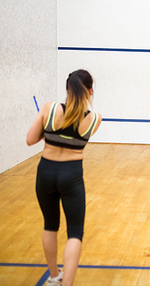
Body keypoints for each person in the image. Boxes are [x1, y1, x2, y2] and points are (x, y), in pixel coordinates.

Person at [27, 69, 102, 286]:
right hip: (71, 176)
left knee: (50, 225)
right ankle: (66, 284)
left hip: (45, 174)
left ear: (67, 90)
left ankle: (53, 277)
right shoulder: (95, 119)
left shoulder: (49, 109)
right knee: (75, 233)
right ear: (90, 92)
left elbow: (30, 140)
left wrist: (45, 130)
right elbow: (73, 134)